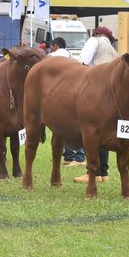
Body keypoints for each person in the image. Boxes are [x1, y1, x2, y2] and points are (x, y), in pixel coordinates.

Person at [73, 26, 119, 183]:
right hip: (112, 95)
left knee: (91, 131)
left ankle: (92, 172)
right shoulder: (113, 50)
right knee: (104, 134)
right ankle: (103, 173)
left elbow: (83, 62)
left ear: (96, 34)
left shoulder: (94, 41)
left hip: (96, 91)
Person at [47, 37, 85, 166]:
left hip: (59, 94)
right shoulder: (72, 56)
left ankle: (69, 156)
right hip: (76, 92)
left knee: (63, 126)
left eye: (51, 46)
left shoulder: (51, 56)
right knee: (77, 125)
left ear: (55, 46)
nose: (51, 48)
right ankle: (79, 157)